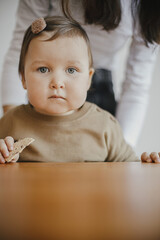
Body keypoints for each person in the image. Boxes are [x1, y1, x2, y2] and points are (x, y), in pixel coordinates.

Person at [1, 0, 160, 148]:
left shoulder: (106, 126)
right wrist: (14, 137)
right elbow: (19, 52)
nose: (58, 83)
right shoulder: (11, 121)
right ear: (23, 78)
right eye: (43, 69)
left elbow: (137, 85)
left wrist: (124, 150)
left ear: (88, 79)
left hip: (102, 88)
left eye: (71, 70)